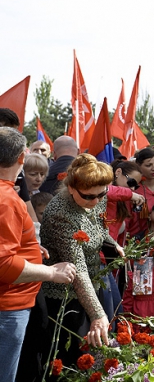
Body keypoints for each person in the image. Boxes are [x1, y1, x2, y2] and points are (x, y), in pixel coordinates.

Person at [0, 126, 76, 382]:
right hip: (8, 307)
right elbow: (5, 265)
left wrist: (29, 247)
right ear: (22, 157)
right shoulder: (6, 199)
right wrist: (52, 272)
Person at [41, 154, 123, 365]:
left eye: (102, 194)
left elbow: (98, 228)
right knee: (74, 359)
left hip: (92, 284)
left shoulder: (96, 196)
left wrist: (113, 243)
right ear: (71, 188)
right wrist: (97, 314)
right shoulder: (61, 214)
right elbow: (77, 270)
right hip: (64, 297)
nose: (96, 201)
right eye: (89, 197)